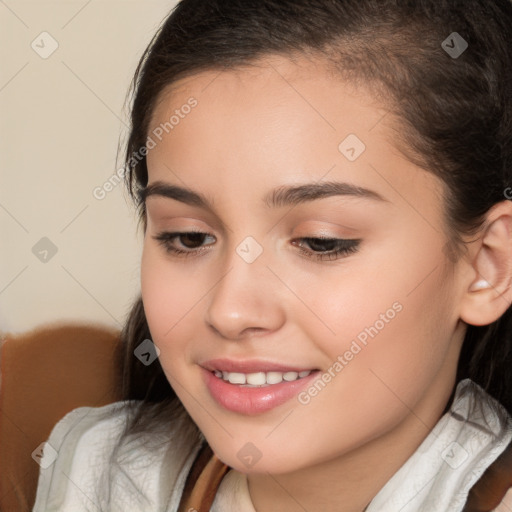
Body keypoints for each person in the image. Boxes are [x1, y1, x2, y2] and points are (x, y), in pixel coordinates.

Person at [32, 0, 512, 510]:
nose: (230, 311)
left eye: (320, 242)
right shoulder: (97, 469)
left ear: (487, 266)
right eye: (188, 237)